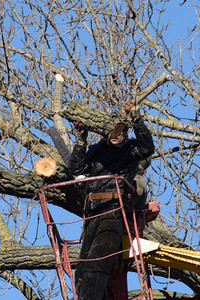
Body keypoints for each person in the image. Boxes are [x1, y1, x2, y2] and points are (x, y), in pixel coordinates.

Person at [68, 101, 155, 299]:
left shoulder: (130, 150)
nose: (117, 136)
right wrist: (81, 140)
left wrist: (136, 119)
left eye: (121, 132)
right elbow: (76, 170)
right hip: (92, 213)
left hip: (114, 210)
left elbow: (147, 148)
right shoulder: (97, 151)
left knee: (99, 260)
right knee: (82, 269)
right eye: (114, 133)